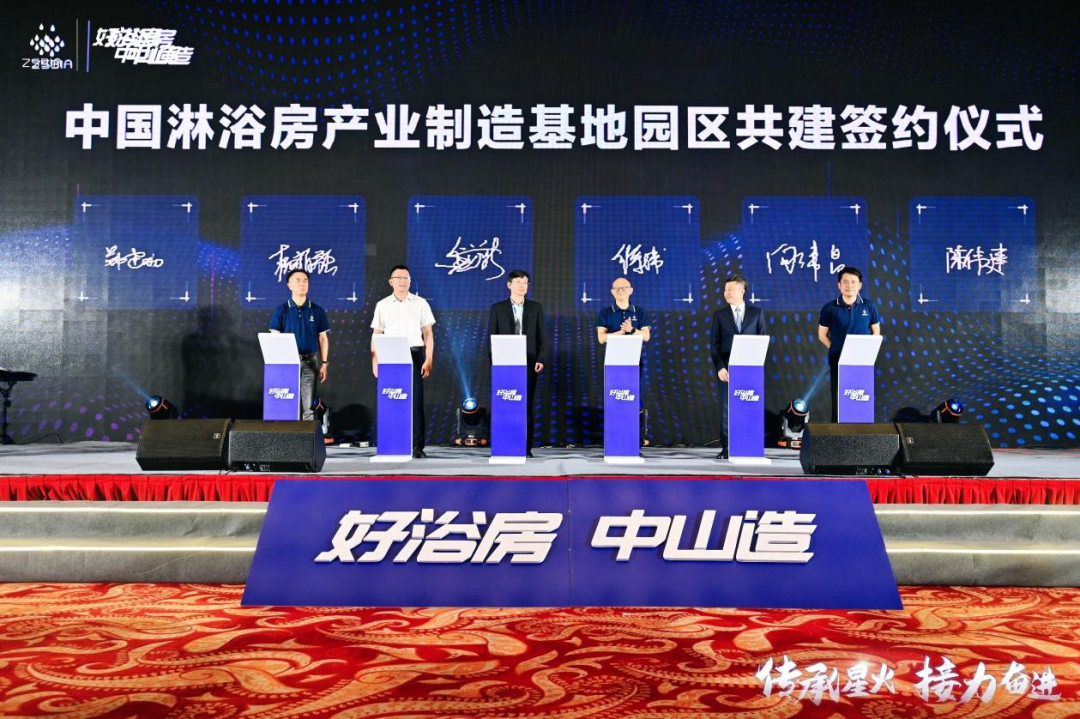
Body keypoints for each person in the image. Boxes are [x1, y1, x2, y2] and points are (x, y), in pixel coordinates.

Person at [371, 265, 436, 458]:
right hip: (389, 353)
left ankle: (417, 446)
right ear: (391, 281)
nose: (402, 281)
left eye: (405, 277)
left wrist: (429, 358)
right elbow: (377, 333)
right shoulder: (382, 305)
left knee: (415, 401)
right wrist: (375, 360)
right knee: (391, 399)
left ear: (410, 281)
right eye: (398, 278)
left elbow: (428, 333)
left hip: (414, 353)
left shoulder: (420, 303)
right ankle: (391, 443)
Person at [488, 269, 548, 457]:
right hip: (504, 362)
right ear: (509, 285)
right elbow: (492, 337)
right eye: (518, 282)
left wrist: (540, 358)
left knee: (525, 405)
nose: (522, 286)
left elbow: (542, 337)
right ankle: (504, 444)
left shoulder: (536, 308)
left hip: (529, 361)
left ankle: (525, 447)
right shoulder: (498, 308)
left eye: (525, 283)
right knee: (505, 404)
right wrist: (494, 363)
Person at [710, 274, 766, 459]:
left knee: (749, 407)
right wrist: (720, 367)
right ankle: (727, 447)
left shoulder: (757, 313)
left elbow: (762, 341)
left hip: (750, 369)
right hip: (727, 370)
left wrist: (757, 367)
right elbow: (714, 345)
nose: (726, 293)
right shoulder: (720, 315)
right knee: (727, 409)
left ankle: (750, 443)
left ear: (742, 291)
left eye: (731, 289)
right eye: (725, 290)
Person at [818, 266, 882, 422]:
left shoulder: (869, 306)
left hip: (863, 362)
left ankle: (863, 432)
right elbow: (822, 335)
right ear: (839, 285)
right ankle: (838, 433)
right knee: (840, 401)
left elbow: (876, 332)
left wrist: (866, 352)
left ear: (860, 285)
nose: (849, 285)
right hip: (839, 362)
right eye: (845, 282)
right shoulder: (829, 308)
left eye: (853, 282)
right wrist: (838, 350)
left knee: (862, 398)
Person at [268, 269, 330, 421]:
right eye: (297, 280)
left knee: (309, 407)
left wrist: (324, 363)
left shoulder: (317, 310)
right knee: (286, 402)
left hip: (310, 362)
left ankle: (308, 435)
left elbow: (323, 338)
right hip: (287, 363)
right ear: (289, 285)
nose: (302, 284)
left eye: (305, 280)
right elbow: (275, 338)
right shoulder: (281, 310)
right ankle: (287, 434)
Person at [596, 277, 652, 345]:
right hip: (611, 351)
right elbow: (601, 339)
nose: (620, 290)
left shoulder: (639, 311)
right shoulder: (605, 312)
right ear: (612, 291)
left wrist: (632, 329)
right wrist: (620, 333)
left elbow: (646, 337)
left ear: (631, 290)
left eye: (624, 288)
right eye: (616, 288)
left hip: (634, 351)